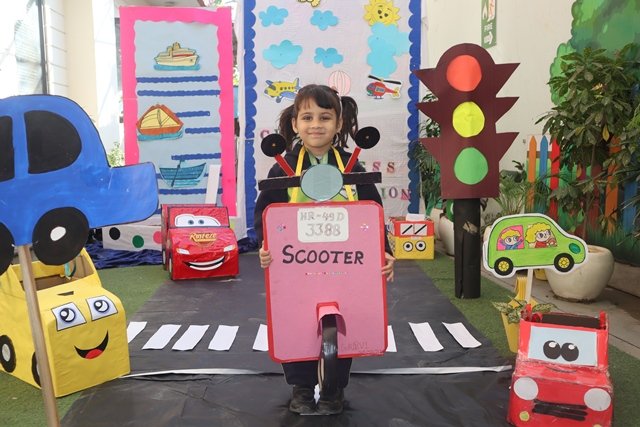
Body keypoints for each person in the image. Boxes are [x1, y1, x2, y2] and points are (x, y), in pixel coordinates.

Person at [253, 84, 395, 415]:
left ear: (339, 123)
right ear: (295, 123)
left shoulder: (351, 166)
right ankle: (301, 387)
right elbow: (266, 213)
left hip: (345, 264)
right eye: (307, 117)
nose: (316, 124)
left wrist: (384, 251)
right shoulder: (283, 167)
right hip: (296, 264)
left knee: (345, 320)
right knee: (296, 320)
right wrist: (265, 246)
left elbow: (372, 212)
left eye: (325, 117)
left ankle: (334, 388)